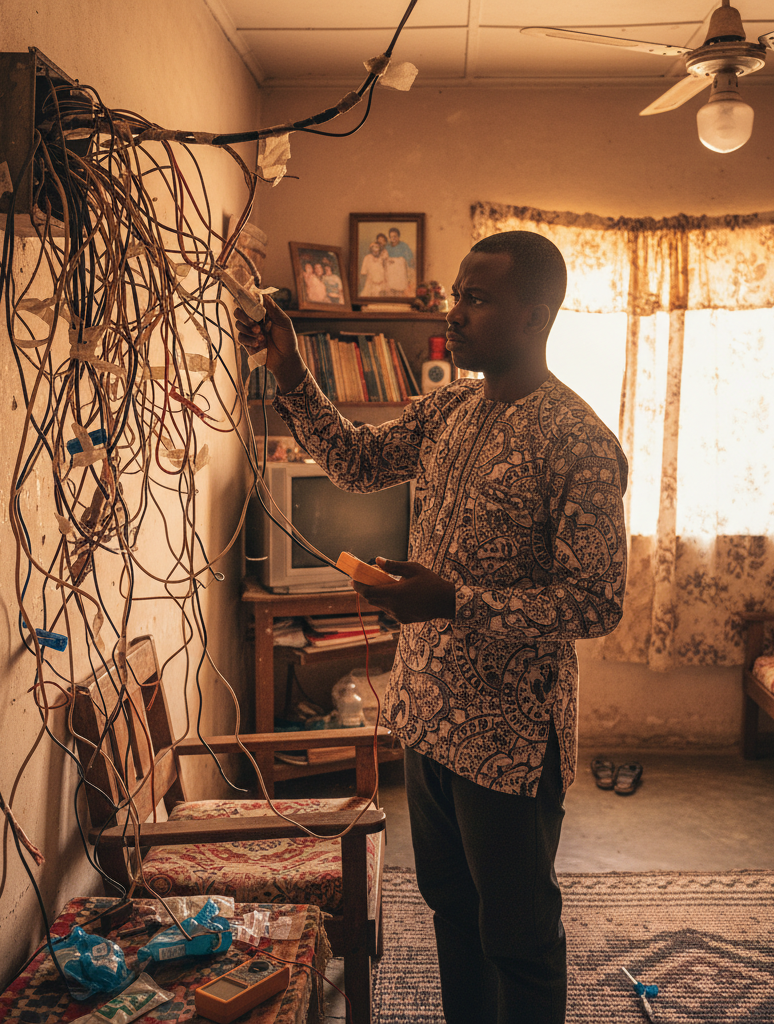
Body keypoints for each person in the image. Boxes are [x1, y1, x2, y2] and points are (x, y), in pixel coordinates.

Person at [235, 231, 628, 1024]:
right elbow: (355, 462)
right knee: (451, 910)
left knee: (517, 936)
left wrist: (455, 603)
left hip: (508, 741)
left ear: (535, 317)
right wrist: (290, 369)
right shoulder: (449, 408)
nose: (454, 313)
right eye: (456, 294)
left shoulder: (580, 443)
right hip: (424, 718)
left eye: (476, 299)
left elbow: (596, 602)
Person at [385, 226, 415, 295]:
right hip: (391, 272)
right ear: (389, 238)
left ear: (398, 236)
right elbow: (384, 258)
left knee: (401, 290)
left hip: (401, 271)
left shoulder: (404, 246)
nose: (393, 238)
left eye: (395, 236)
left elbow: (409, 258)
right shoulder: (387, 247)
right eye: (391, 237)